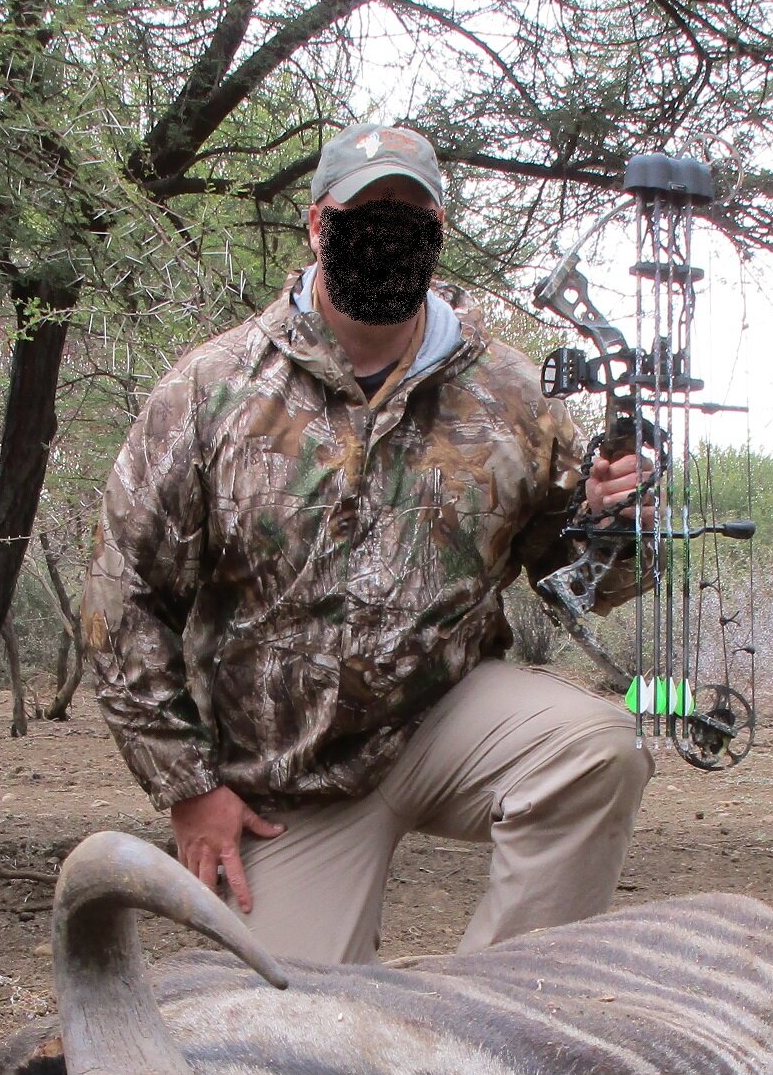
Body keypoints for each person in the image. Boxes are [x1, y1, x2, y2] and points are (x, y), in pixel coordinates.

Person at [83, 121, 652, 965]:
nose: (386, 233)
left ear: (439, 235)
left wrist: (619, 520)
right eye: (363, 212)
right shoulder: (213, 389)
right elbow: (119, 598)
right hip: (286, 777)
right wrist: (189, 788)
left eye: (410, 216)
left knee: (599, 751)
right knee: (276, 1039)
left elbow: (580, 583)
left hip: (446, 718)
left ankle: (495, 1019)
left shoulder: (511, 390)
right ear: (317, 224)